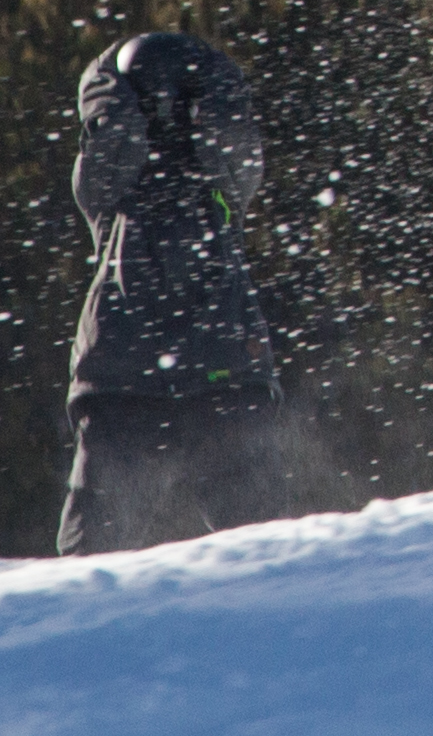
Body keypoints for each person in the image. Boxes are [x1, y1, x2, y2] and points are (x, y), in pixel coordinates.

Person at [61, 31, 293, 554]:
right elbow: (102, 166)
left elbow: (239, 153)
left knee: (258, 545)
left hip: (154, 369)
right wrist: (134, 109)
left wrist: (191, 101)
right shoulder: (113, 179)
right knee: (256, 547)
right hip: (160, 370)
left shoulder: (217, 175)